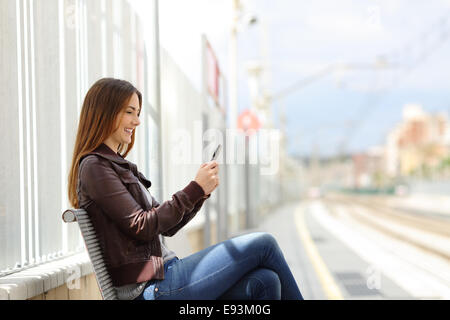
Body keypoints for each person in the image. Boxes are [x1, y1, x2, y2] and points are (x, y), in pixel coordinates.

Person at [68, 78, 303, 300]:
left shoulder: (117, 166)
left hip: (165, 274)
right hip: (151, 287)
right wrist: (195, 187)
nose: (137, 121)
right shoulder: (95, 166)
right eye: (129, 112)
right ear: (105, 112)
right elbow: (143, 226)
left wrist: (199, 192)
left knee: (265, 281)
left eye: (138, 113)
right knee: (263, 243)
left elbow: (165, 227)